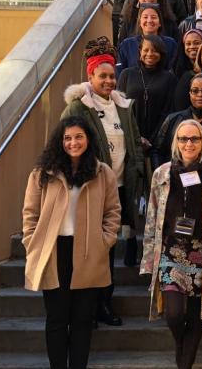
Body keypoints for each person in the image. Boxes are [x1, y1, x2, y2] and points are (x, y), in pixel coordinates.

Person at [22, 116, 121, 369]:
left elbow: (112, 212)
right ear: (60, 141)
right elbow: (30, 213)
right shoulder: (42, 173)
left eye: (79, 137)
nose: (73, 142)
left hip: (88, 251)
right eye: (67, 138)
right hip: (53, 251)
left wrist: (105, 241)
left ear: (88, 139)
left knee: (82, 319)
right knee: (56, 318)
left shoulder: (102, 172)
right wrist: (32, 241)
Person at [61, 37, 146, 327]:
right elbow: (65, 146)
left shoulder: (123, 107)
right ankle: (83, 306)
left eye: (112, 76)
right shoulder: (78, 108)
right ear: (91, 76)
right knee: (88, 248)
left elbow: (132, 142)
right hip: (89, 189)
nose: (109, 81)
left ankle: (103, 304)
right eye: (103, 76)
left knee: (107, 247)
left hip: (120, 188)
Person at [141, 120, 202, 369]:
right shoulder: (161, 173)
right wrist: (149, 258)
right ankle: (182, 349)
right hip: (170, 251)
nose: (188, 144)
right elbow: (152, 217)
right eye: (183, 139)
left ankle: (184, 364)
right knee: (173, 314)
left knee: (194, 316)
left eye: (194, 139)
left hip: (200, 251)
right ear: (176, 142)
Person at [117, 35, 179, 153]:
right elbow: (120, 108)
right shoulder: (127, 74)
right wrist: (136, 137)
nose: (150, 54)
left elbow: (169, 111)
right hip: (130, 141)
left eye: (155, 50)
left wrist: (153, 140)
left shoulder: (169, 78)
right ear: (140, 52)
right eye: (146, 50)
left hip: (159, 144)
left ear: (161, 54)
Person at [116, 3, 178, 75]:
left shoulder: (170, 43)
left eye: (153, 17)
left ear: (160, 22)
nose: (149, 20)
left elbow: (174, 71)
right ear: (139, 22)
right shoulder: (127, 44)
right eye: (145, 17)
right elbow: (119, 73)